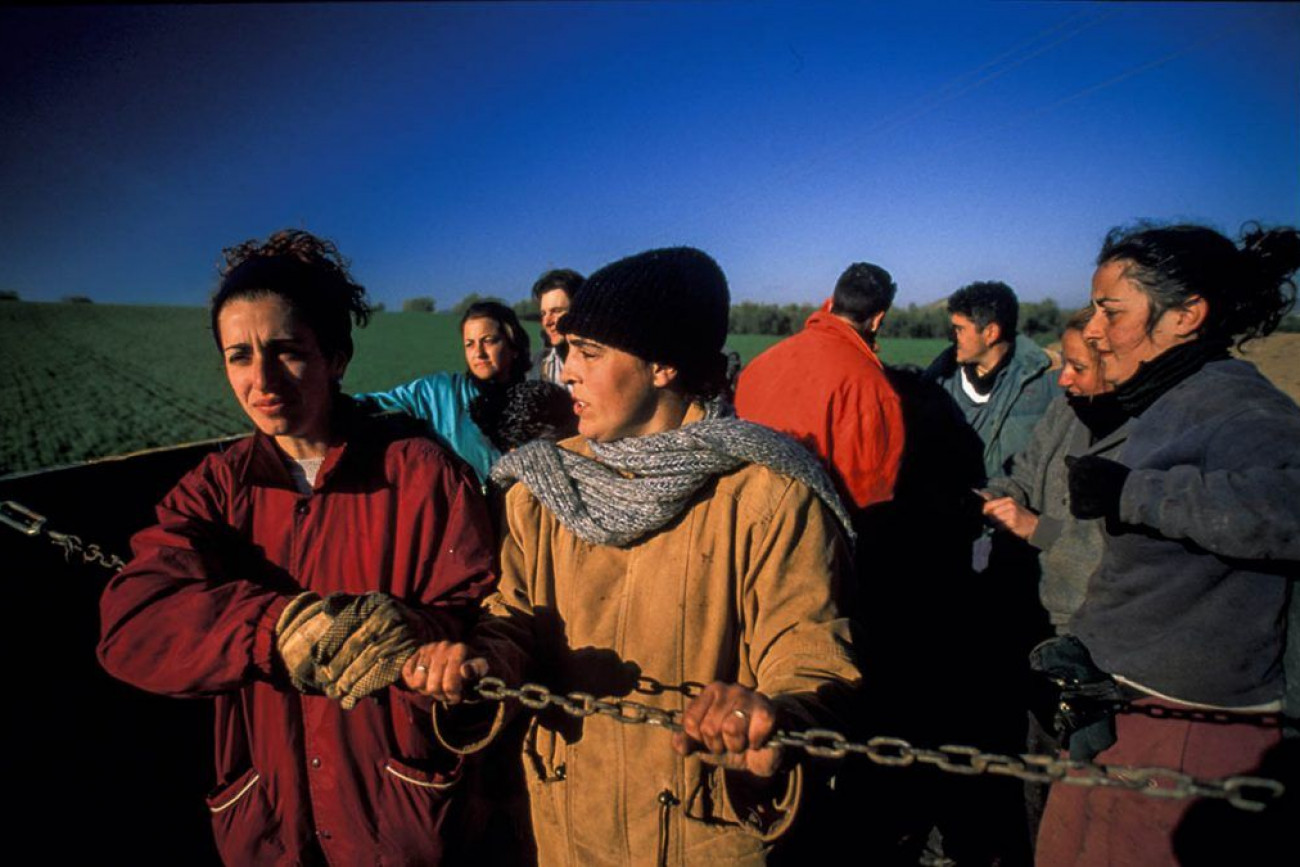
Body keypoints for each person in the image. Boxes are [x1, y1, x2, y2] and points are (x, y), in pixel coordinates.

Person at [404, 247, 862, 865]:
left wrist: (774, 716)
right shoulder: (544, 490)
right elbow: (510, 619)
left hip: (704, 837)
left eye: (590, 353)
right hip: (567, 830)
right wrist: (480, 668)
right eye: (567, 352)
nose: (566, 373)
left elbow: (809, 654)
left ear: (664, 365)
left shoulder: (769, 498)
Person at [97, 229, 498, 865]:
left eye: (286, 350)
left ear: (336, 356)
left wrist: (421, 635)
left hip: (398, 822)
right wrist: (268, 628)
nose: (262, 379)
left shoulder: (421, 475)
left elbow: (487, 617)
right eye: (238, 356)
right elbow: (132, 623)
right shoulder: (214, 491)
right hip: (269, 828)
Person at [1035, 222, 1300, 867]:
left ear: (1187, 316)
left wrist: (1135, 495)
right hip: (1126, 708)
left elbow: (1289, 506)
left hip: (1189, 727)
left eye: (1111, 311)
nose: (1093, 331)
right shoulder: (1169, 402)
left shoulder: (1237, 406)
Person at [982, 306, 1120, 634]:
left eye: (1078, 367)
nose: (1063, 379)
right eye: (1065, 362)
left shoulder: (1146, 437)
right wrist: (993, 496)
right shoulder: (1064, 410)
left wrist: (1036, 528)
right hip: (1033, 600)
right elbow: (1025, 475)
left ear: (1116, 365)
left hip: (1091, 622)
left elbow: (1109, 556)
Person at [734, 261, 905, 514]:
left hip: (740, 522)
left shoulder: (759, 364)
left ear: (831, 302)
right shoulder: (872, 389)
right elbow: (869, 499)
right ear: (877, 320)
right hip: (809, 538)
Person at [356, 300, 531, 487]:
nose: (478, 353)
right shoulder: (440, 392)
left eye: (488, 341)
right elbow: (377, 403)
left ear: (513, 346)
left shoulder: (535, 402)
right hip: (467, 510)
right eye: (469, 344)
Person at [926, 280, 1059, 480]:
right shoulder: (938, 379)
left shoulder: (1048, 379)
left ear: (990, 333)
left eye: (959, 329)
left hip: (1016, 506)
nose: (951, 337)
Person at [530, 267, 583, 385]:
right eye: (543, 313)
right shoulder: (537, 366)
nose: (547, 322)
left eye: (556, 311)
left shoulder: (601, 366)